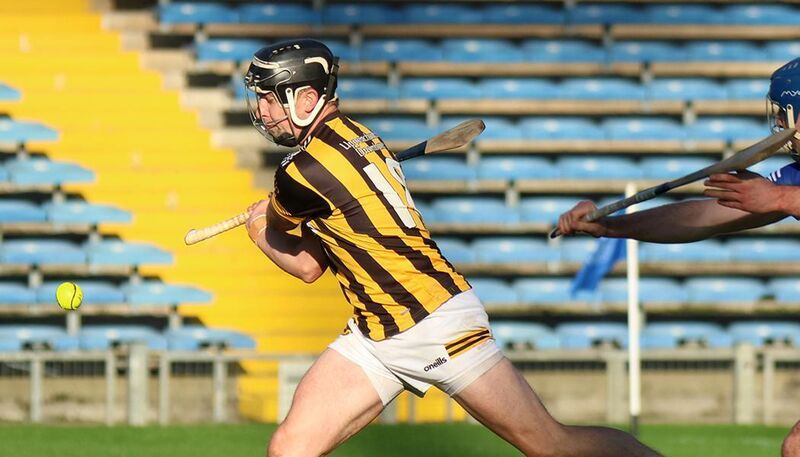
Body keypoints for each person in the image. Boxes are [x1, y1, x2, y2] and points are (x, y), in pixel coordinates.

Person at [241, 39, 660, 457]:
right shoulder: (361, 135)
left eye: (267, 99)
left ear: (306, 98)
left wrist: (259, 228)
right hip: (376, 331)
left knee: (552, 446)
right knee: (290, 449)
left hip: (434, 321)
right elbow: (333, 237)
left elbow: (305, 266)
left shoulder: (299, 172)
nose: (261, 111)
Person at [556, 57, 800, 457]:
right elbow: (702, 216)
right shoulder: (794, 176)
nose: (778, 126)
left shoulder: (788, 188)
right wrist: (613, 226)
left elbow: (781, 199)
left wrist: (780, 199)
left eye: (783, 114)